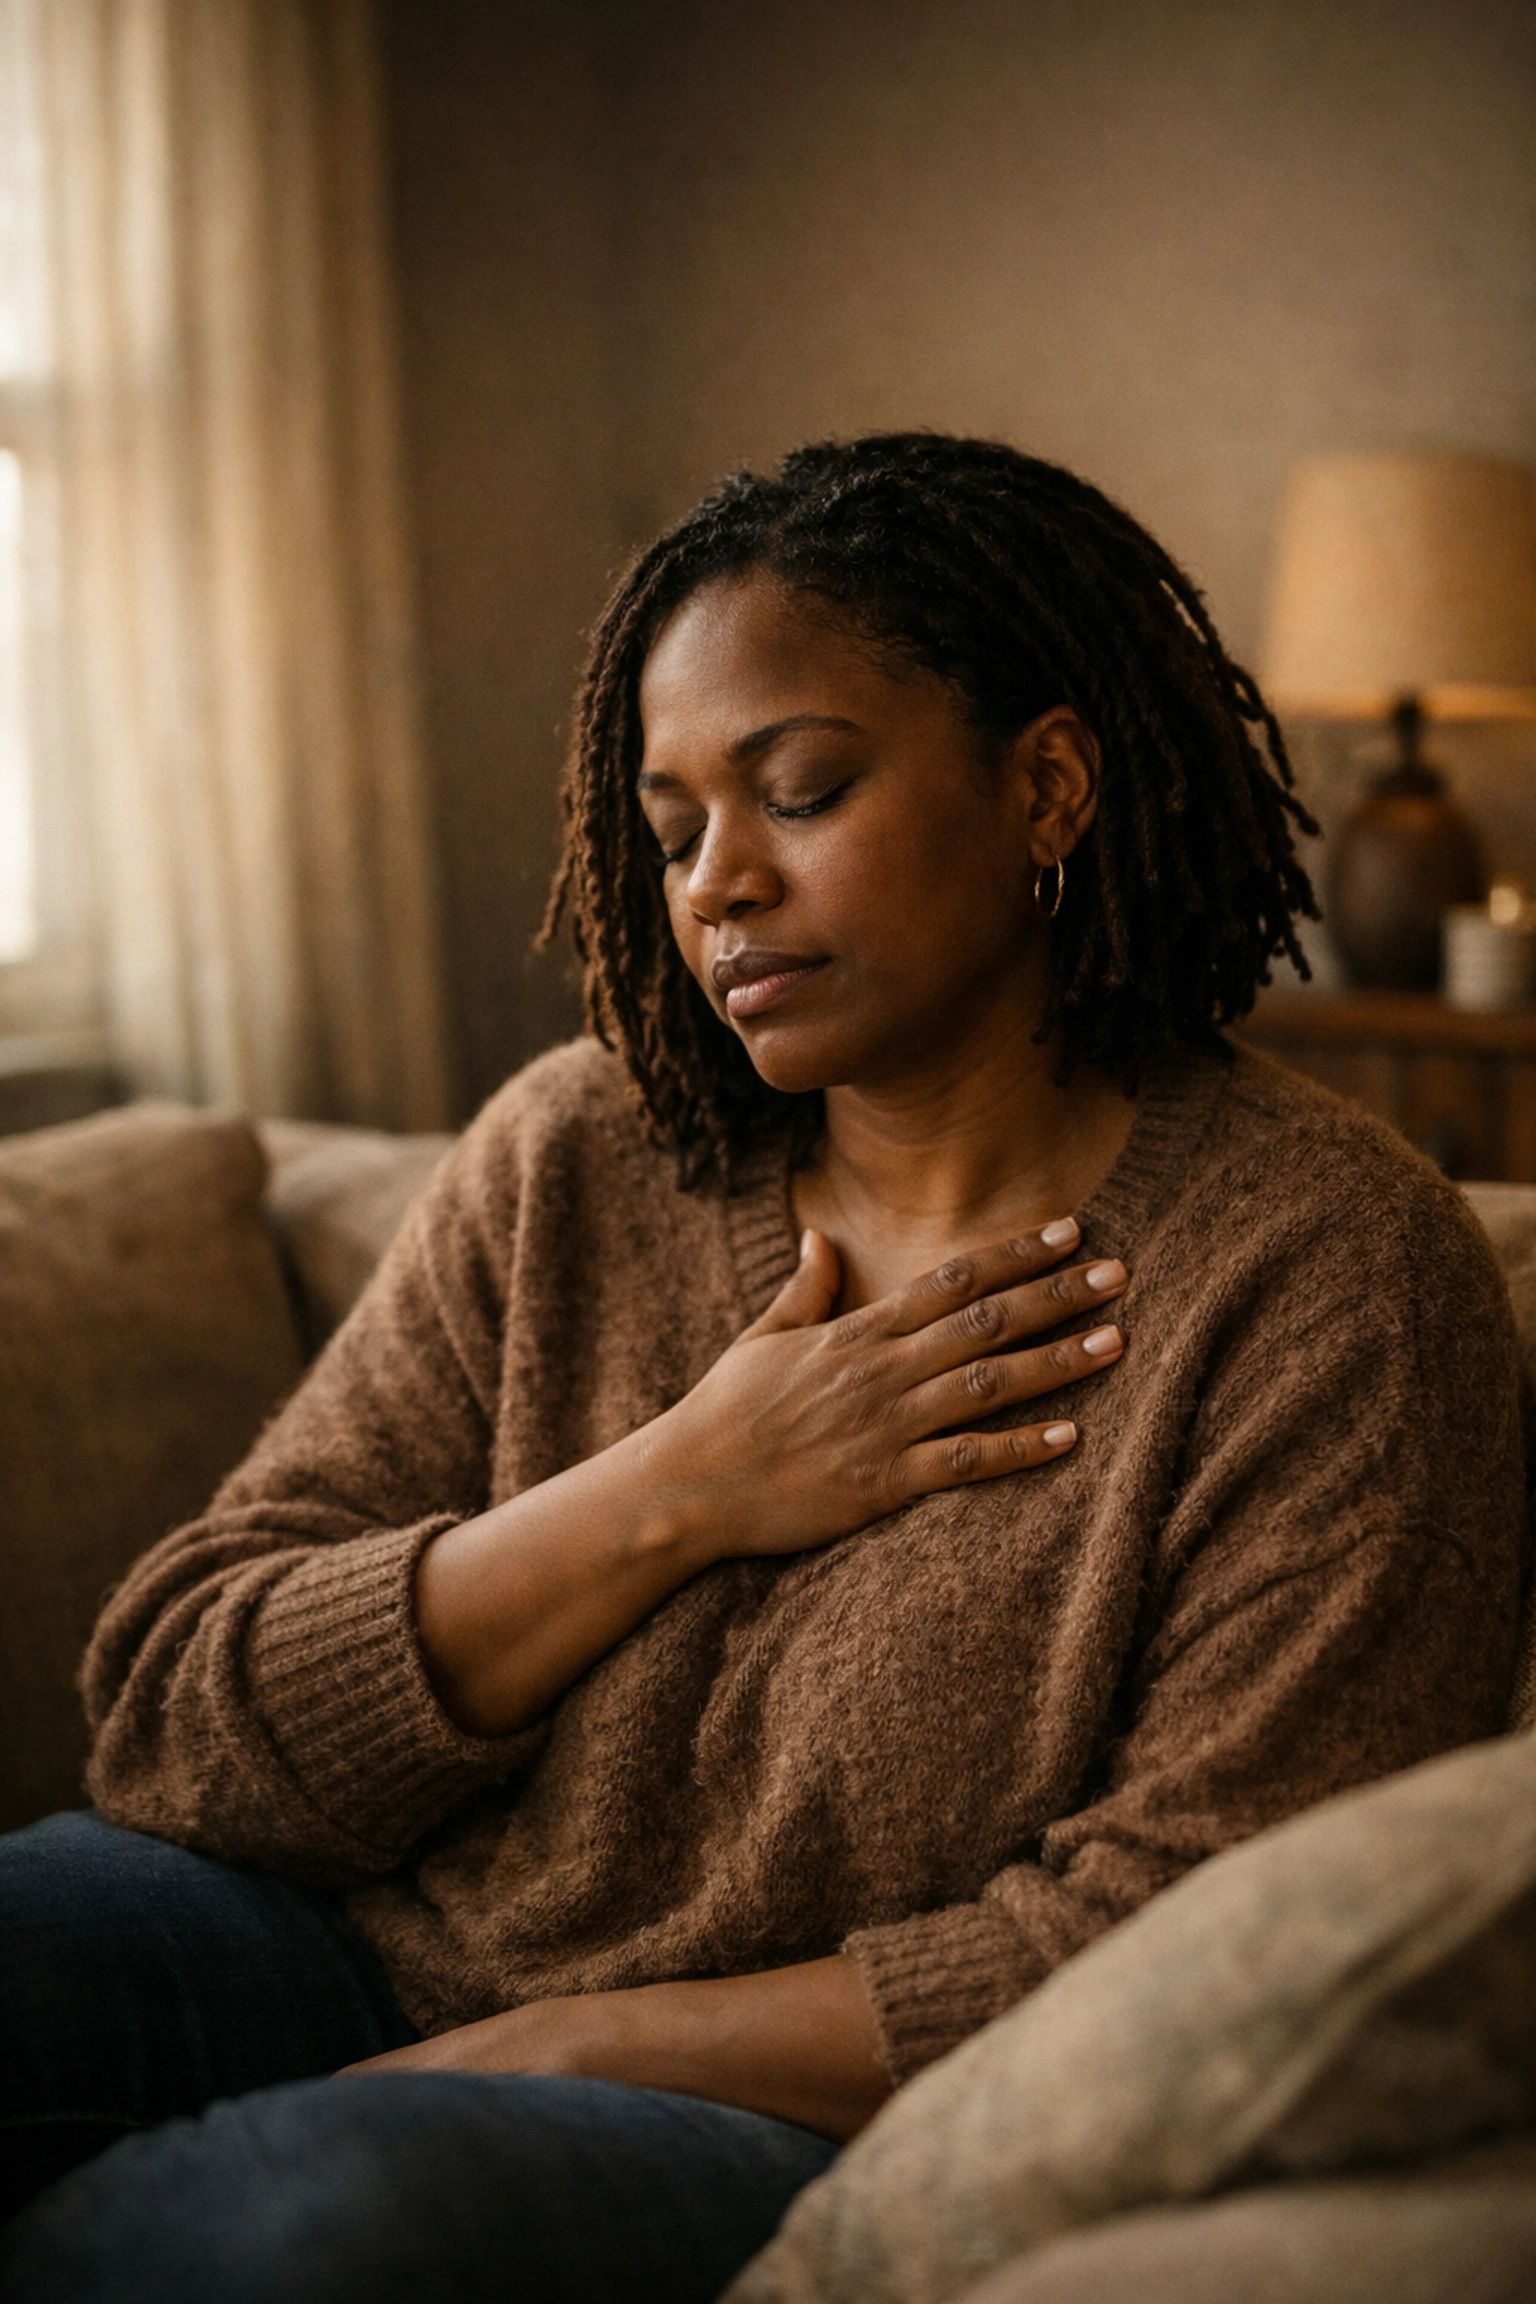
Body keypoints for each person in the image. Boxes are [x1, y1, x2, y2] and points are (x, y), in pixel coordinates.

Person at [0, 434, 1526, 2304]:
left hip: (800, 2115)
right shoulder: (579, 1149)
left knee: (297, 2234)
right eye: (668, 830)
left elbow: (1199, 1941)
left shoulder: (1330, 1274)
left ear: (1046, 785)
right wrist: (677, 1488)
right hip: (346, 1950)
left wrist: (574, 2044)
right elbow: (174, 1710)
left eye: (798, 793)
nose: (717, 884)